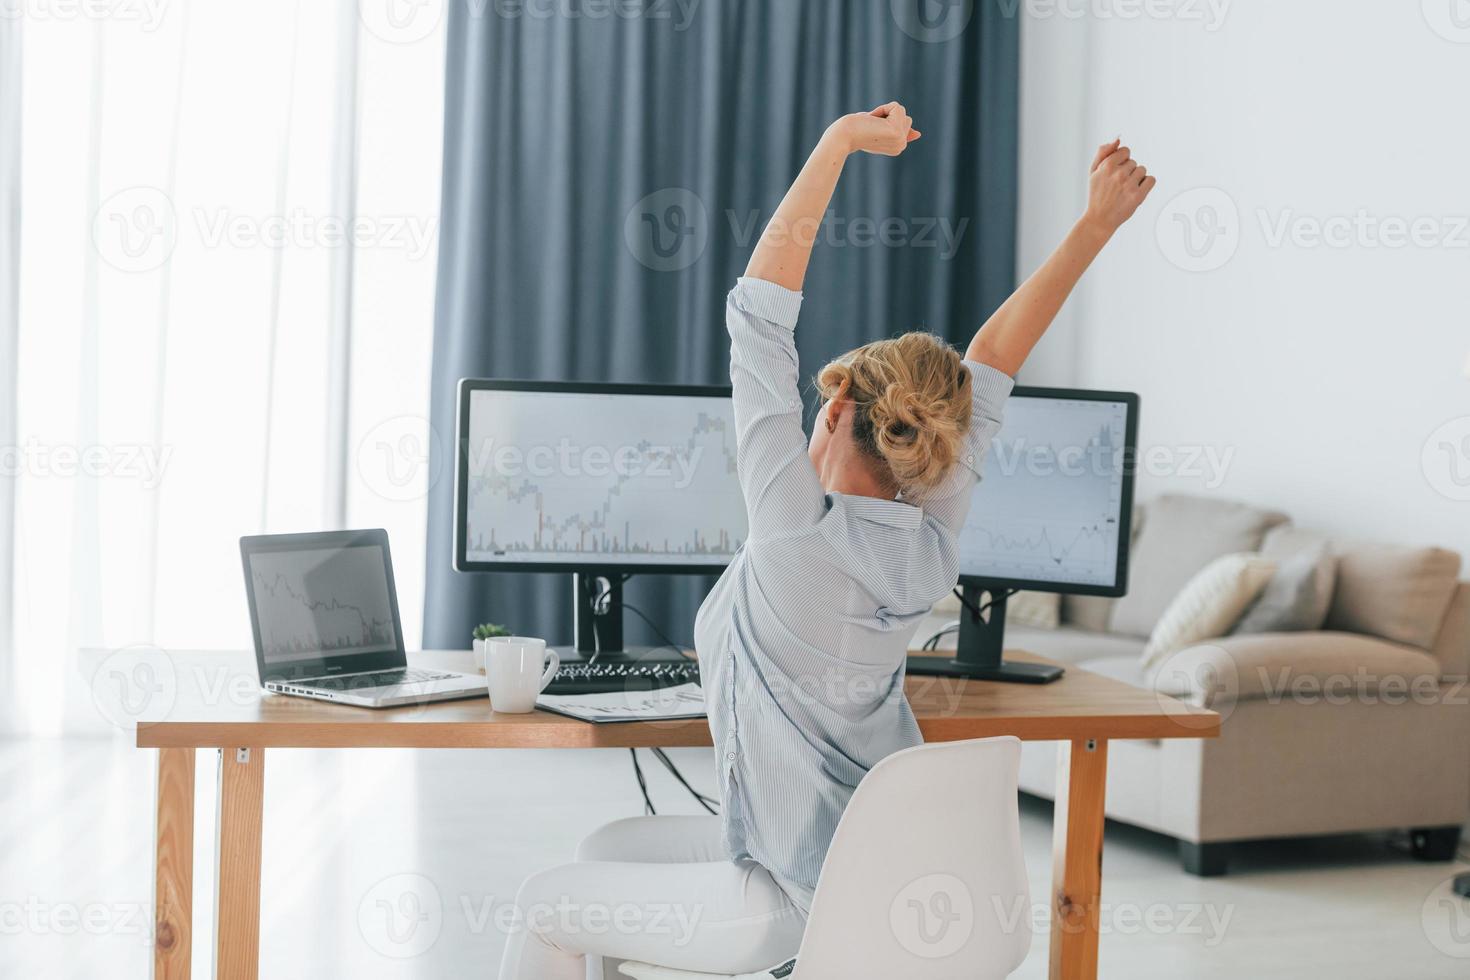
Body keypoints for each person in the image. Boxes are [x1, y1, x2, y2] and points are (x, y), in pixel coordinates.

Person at [498, 103, 1155, 980]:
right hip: (874, 874)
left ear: (837, 411)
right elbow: (993, 359)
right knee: (612, 842)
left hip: (793, 899)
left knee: (548, 899)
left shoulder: (793, 530)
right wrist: (1095, 225)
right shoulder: (930, 536)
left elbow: (758, 318)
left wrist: (838, 142)